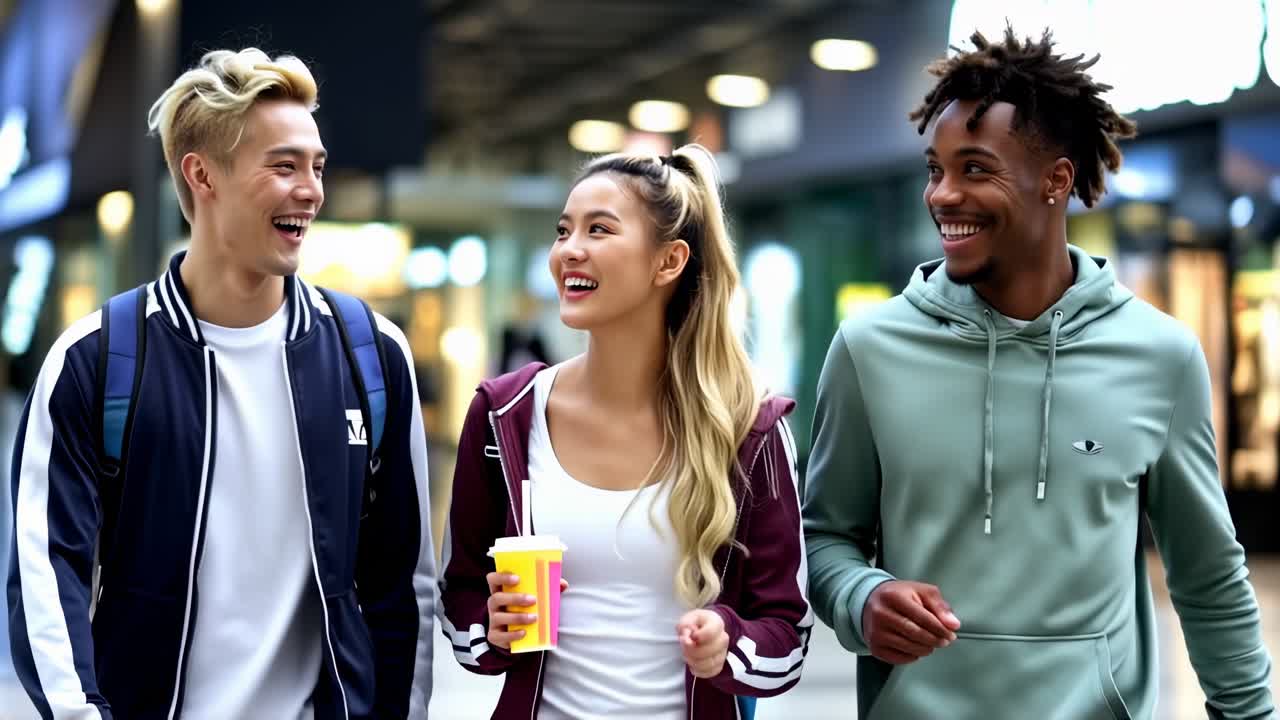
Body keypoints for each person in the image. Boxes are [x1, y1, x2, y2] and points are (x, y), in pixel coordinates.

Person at [803, 26, 1276, 720]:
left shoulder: (1159, 356)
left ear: (1056, 180)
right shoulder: (869, 348)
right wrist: (861, 597)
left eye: (975, 169)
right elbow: (825, 540)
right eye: (936, 169)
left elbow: (1208, 577)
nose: (943, 195)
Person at [7, 48, 435, 719]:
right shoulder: (97, 360)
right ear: (202, 175)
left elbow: (401, 584)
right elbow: (45, 573)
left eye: (316, 167)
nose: (312, 190)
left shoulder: (371, 356)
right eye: (285, 165)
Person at [438, 144, 812, 719]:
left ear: (669, 261)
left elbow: (787, 634)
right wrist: (492, 627)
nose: (570, 251)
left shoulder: (747, 429)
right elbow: (458, 596)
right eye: (563, 232)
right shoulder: (503, 416)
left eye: (599, 230)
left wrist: (726, 643)